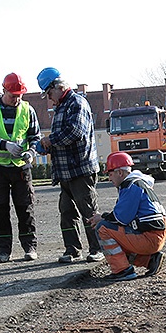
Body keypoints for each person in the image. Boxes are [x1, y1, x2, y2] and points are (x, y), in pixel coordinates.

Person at [35, 67, 105, 264]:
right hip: (66, 171)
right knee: (66, 212)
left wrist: (50, 141)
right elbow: (63, 140)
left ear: (58, 87)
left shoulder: (77, 103)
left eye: (49, 94)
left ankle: (97, 248)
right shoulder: (61, 106)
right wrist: (46, 147)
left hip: (80, 169)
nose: (49, 99)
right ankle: (73, 250)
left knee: (88, 211)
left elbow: (75, 133)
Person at [0, 72, 41, 263]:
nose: (16, 99)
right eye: (13, 95)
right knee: (0, 209)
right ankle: (4, 250)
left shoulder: (27, 110)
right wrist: (6, 145)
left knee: (25, 208)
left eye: (19, 95)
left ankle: (29, 247)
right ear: (4, 90)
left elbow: (35, 137)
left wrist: (31, 153)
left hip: (21, 167)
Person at [87, 151, 166, 281]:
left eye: (110, 173)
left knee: (103, 228)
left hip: (149, 237)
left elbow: (121, 218)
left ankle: (122, 271)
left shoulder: (130, 185)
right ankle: (150, 260)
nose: (109, 178)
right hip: (155, 234)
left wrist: (101, 218)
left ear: (120, 172)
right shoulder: (139, 183)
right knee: (115, 235)